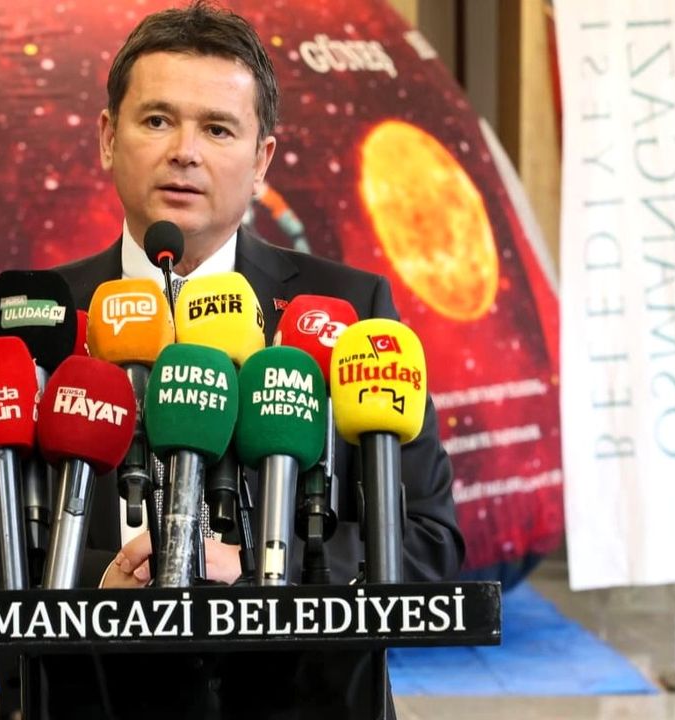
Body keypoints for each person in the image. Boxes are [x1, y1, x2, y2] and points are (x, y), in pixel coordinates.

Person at [53, 1, 464, 590]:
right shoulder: (39, 318)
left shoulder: (352, 311)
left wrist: (259, 568)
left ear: (260, 162)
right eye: (158, 121)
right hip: (94, 651)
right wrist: (105, 583)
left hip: (289, 651)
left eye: (217, 129)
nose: (185, 152)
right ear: (108, 139)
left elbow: (428, 541)